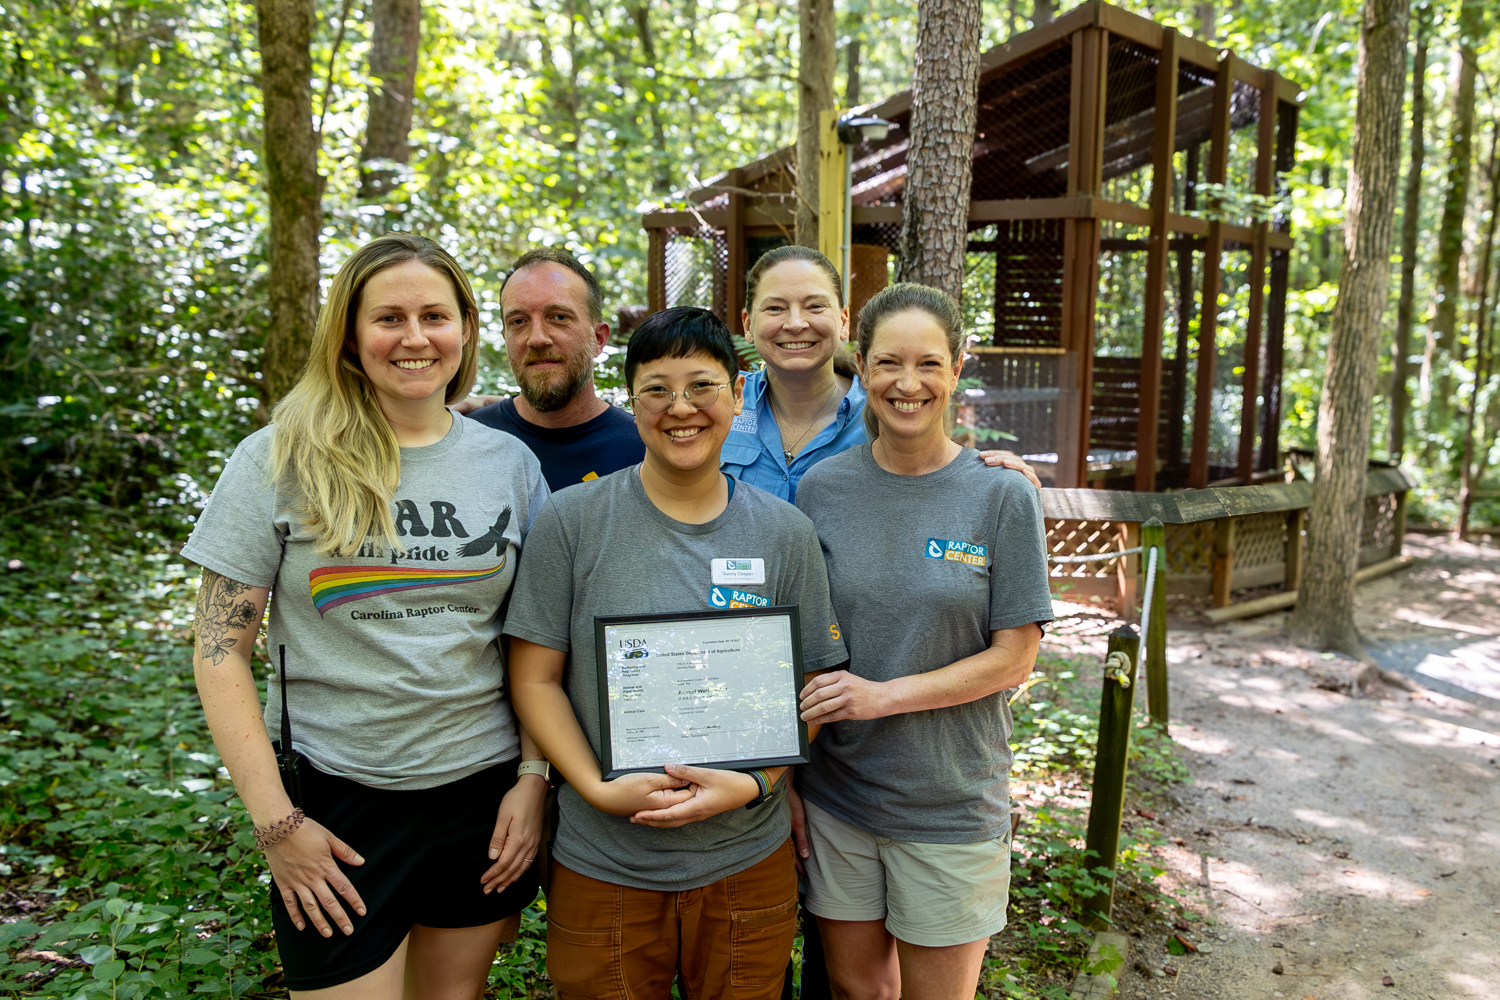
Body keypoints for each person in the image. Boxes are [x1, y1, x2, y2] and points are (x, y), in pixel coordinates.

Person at [183, 234, 550, 999]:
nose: (415, 338)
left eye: (434, 316)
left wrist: (532, 777)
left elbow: (535, 643)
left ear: (465, 329)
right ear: (349, 336)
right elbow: (219, 653)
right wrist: (277, 824)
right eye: (389, 318)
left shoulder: (509, 464)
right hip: (338, 802)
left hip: (478, 798)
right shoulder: (279, 458)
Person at [503, 306, 849, 1000]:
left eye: (702, 386)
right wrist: (596, 788)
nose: (680, 408)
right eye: (657, 389)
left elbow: (815, 681)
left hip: (746, 856)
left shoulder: (785, 532)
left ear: (738, 391)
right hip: (605, 860)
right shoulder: (572, 521)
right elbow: (534, 679)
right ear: (631, 400)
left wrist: (756, 783)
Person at [792, 283, 1055, 1000]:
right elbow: (807, 644)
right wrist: (787, 775)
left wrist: (881, 697)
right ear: (860, 366)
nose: (908, 385)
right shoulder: (821, 490)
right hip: (839, 798)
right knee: (856, 992)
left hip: (950, 802)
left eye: (929, 364)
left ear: (958, 367)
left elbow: (1015, 656)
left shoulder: (1001, 496)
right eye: (888, 364)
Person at [722, 244, 1043, 502]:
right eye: (775, 308)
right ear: (748, 325)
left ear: (844, 320)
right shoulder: (717, 404)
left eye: (815, 306)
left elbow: (942, 474)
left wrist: (999, 476)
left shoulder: (890, 409)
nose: (795, 323)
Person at [465, 247, 645, 491]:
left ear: (598, 339)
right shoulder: (468, 440)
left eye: (559, 317)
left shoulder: (644, 450)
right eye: (518, 321)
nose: (537, 339)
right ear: (505, 337)